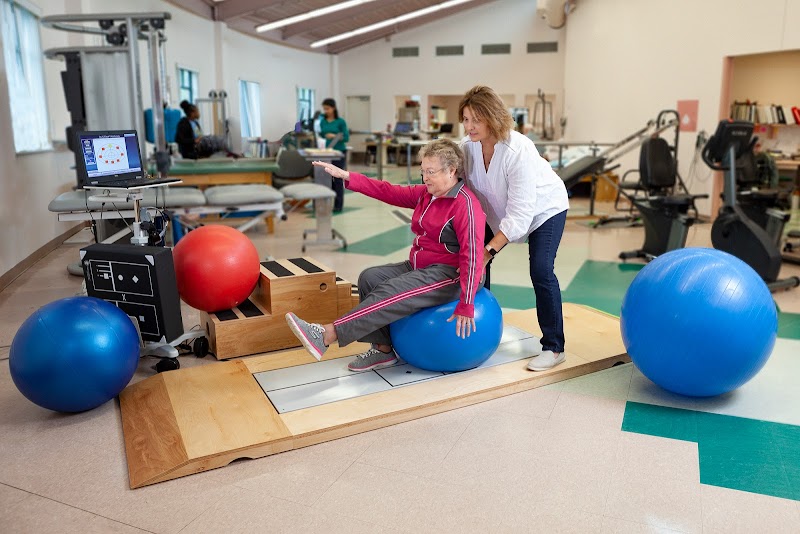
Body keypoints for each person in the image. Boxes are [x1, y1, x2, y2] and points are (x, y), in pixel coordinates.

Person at [285, 138, 486, 372]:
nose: (425, 178)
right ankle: (382, 350)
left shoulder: (465, 205)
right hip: (421, 266)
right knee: (370, 277)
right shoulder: (427, 194)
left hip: (452, 274)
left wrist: (466, 303)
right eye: (423, 171)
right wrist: (347, 176)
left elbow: (473, 256)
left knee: (390, 290)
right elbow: (388, 191)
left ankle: (327, 335)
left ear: (451, 171)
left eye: (431, 172)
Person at [459, 85, 569, 371]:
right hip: (498, 212)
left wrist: (489, 251)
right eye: (466, 119)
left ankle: (554, 347)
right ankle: (478, 333)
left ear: (493, 117)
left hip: (544, 209)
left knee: (541, 270)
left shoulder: (517, 148)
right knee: (474, 262)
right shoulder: (467, 147)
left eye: (476, 120)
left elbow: (521, 214)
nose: (469, 127)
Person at [318, 98, 350, 212]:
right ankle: (325, 203)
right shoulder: (323, 121)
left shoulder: (341, 122)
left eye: (328, 108)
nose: (326, 111)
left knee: (337, 179)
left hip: (338, 153)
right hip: (327, 153)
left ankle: (338, 205)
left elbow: (346, 138)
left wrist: (334, 136)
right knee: (326, 178)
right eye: (324, 109)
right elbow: (322, 135)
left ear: (333, 108)